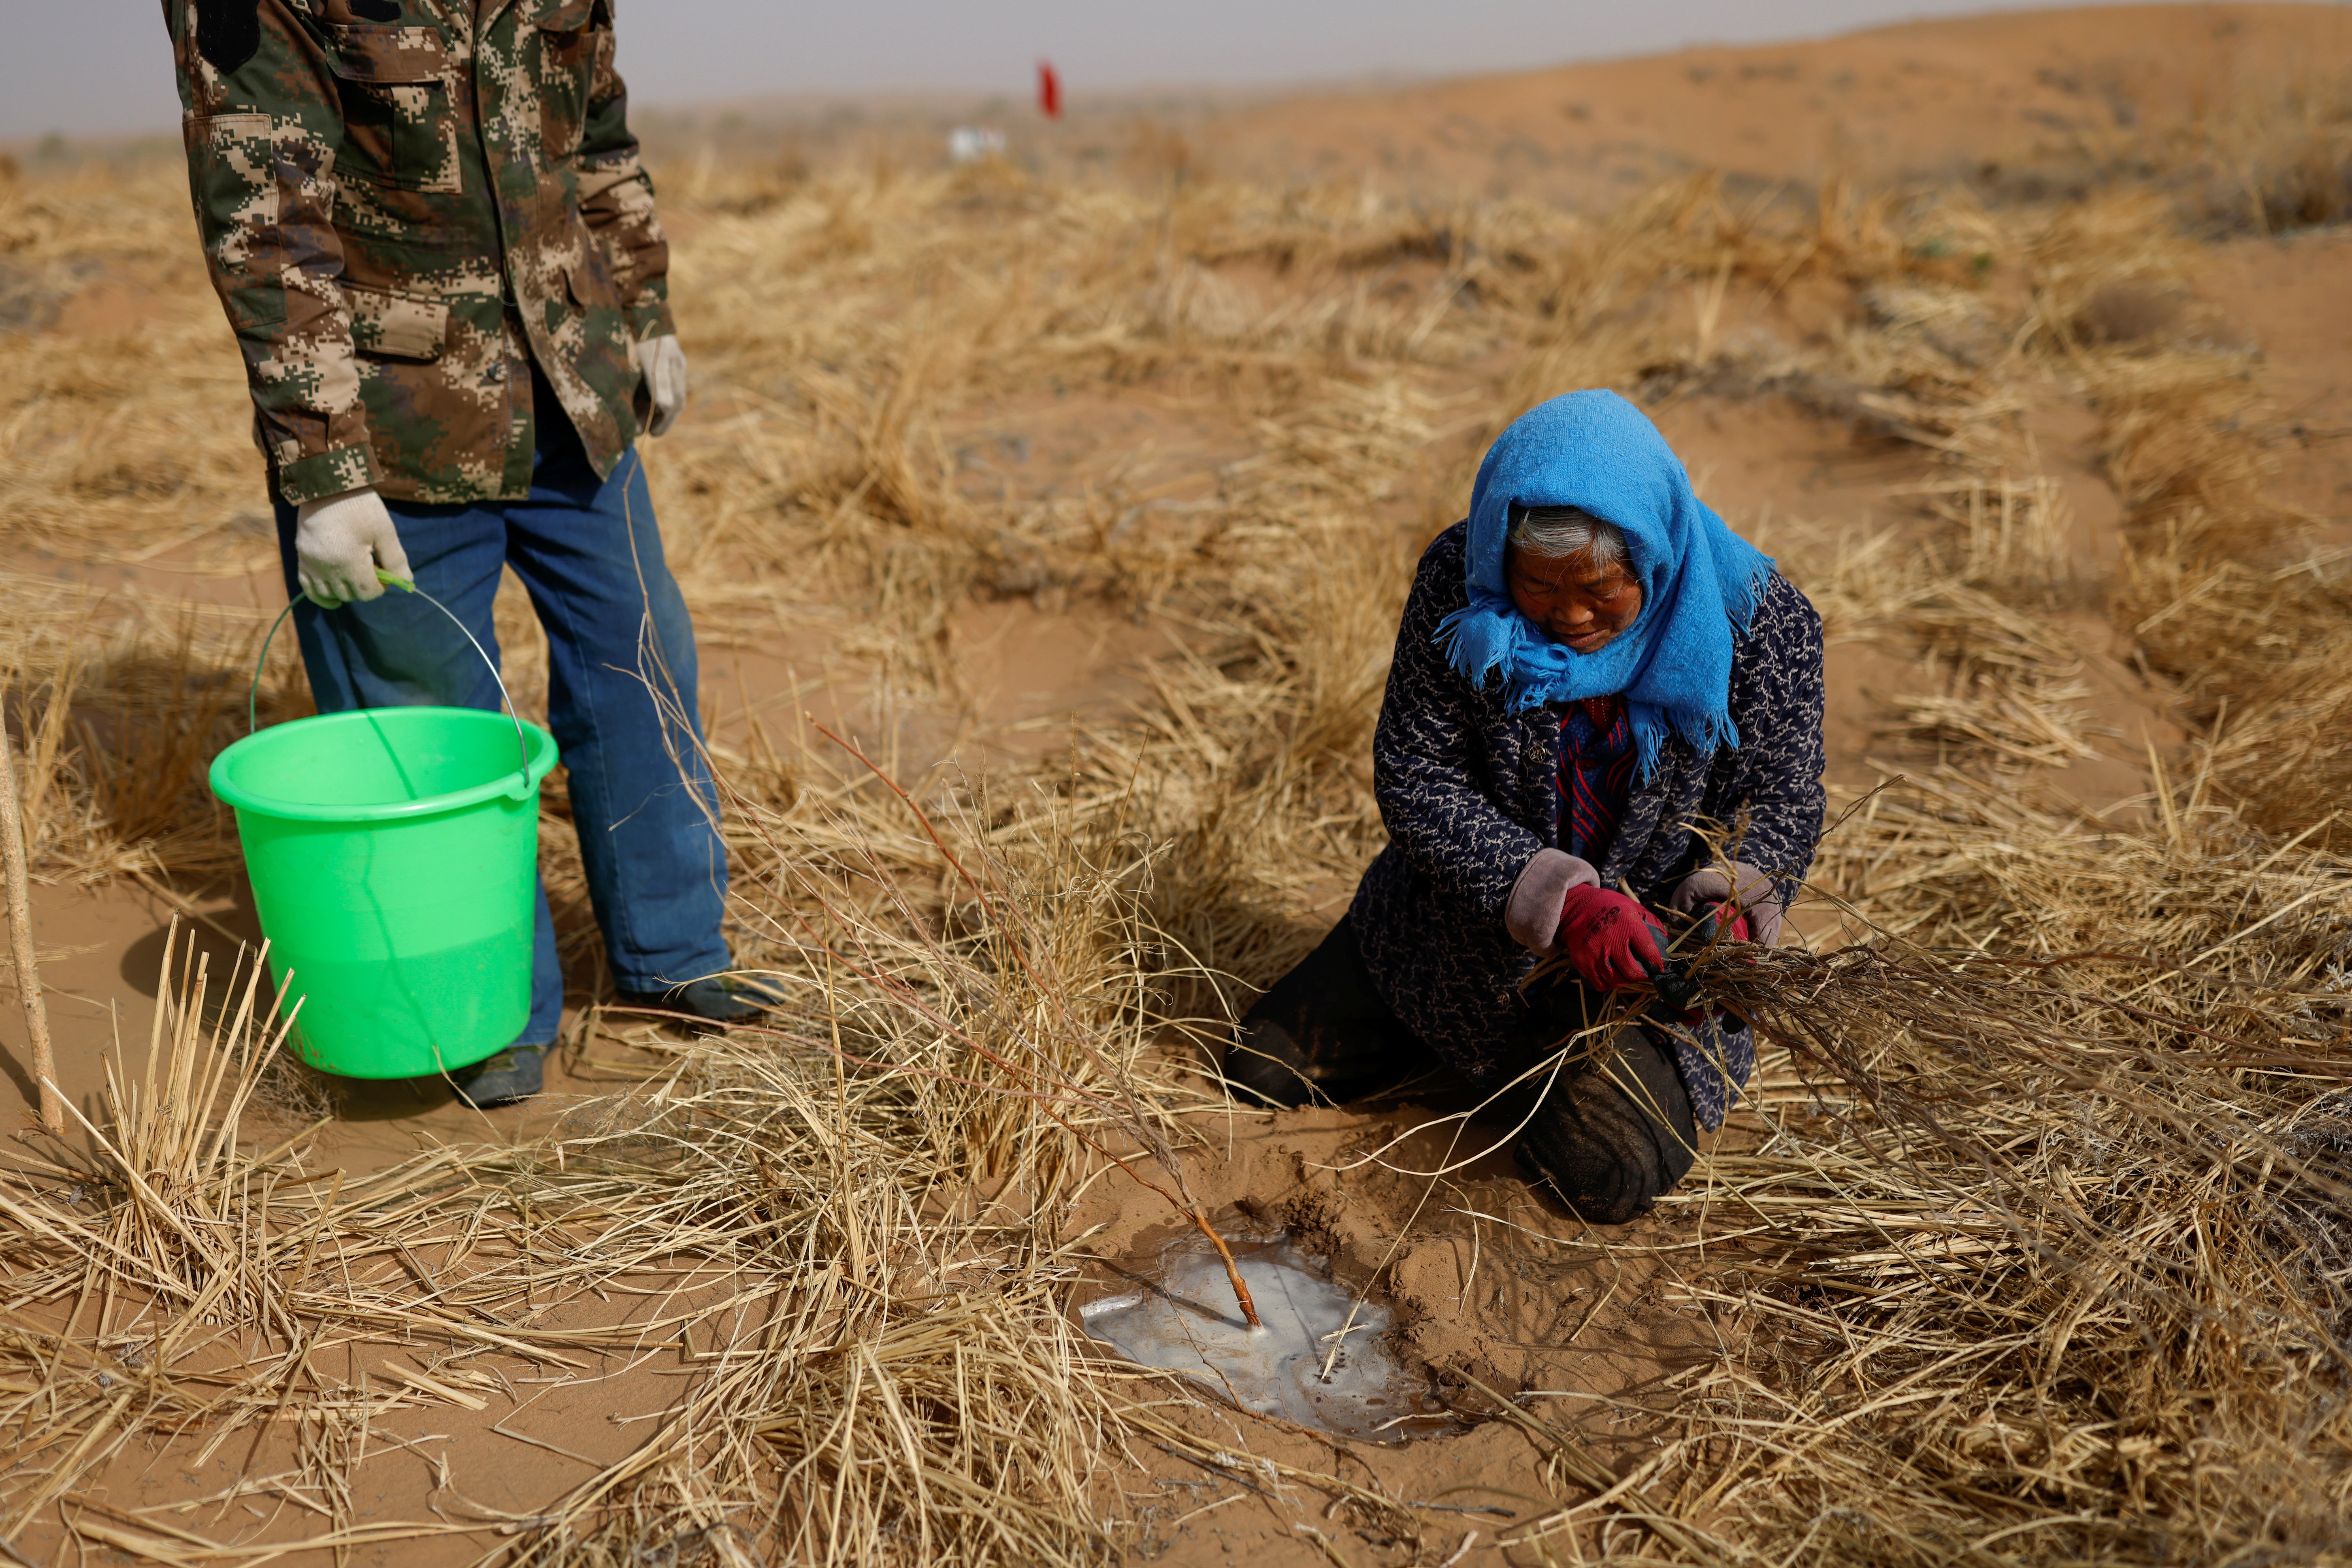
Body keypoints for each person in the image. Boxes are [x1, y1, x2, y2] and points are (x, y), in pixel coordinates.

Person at [166, 0, 763, 1107]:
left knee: (642, 658)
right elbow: (266, 218)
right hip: (392, 423)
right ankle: (486, 1017)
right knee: (433, 731)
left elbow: (593, 132)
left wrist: (644, 303)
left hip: (571, 384)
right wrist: (322, 471)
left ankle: (674, 957)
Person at [1227, 390, 1826, 1223]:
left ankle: (1547, 1070)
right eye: (1539, 586)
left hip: (1644, 976)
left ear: (1652, 558)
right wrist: (1559, 897)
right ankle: (1473, 1050)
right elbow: (1417, 776)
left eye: (1601, 590)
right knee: (1258, 1074)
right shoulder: (1458, 587)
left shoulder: (1761, 624)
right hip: (1451, 934)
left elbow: (1785, 797)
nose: (1569, 615)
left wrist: (1728, 909)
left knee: (1606, 1177)